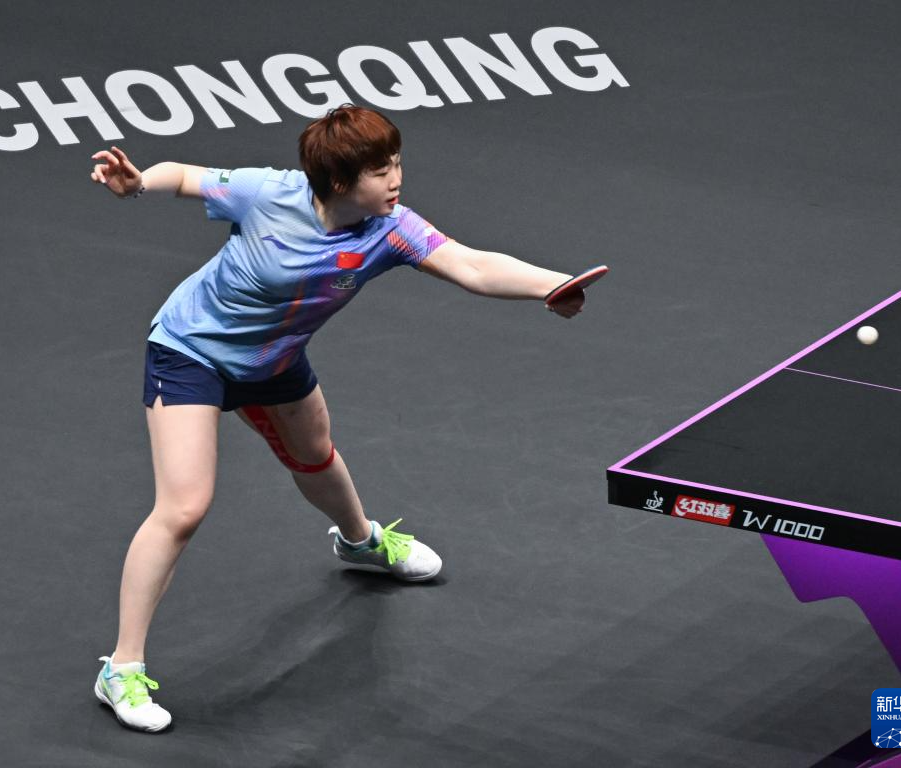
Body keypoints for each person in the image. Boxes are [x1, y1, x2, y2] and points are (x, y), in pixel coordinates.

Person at [88, 105, 588, 732]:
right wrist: (139, 183)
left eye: (396, 163)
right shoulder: (267, 193)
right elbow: (187, 176)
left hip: (274, 358)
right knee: (184, 506)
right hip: (192, 353)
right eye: (381, 171)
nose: (396, 179)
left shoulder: (391, 229)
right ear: (340, 181)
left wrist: (553, 284)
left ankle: (361, 542)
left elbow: (472, 265)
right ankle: (121, 669)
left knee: (315, 457)